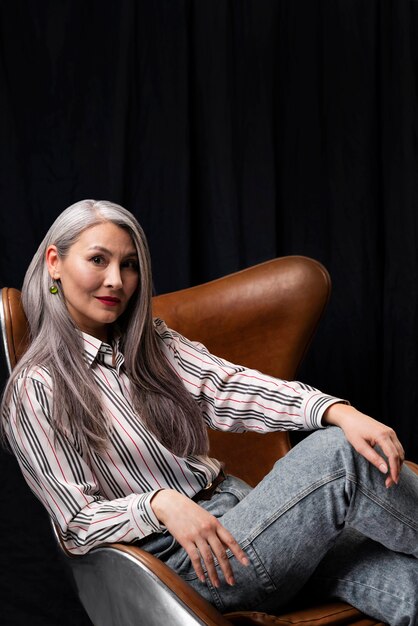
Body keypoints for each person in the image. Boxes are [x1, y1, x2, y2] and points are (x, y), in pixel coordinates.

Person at [1, 199, 417, 625]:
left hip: (245, 517)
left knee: (408, 579)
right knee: (339, 456)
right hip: (186, 567)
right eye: (97, 260)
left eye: (129, 265)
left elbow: (230, 388)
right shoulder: (37, 386)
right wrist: (159, 504)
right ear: (55, 262)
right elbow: (76, 523)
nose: (117, 281)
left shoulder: (150, 344)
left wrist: (335, 409)